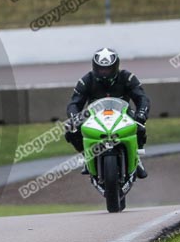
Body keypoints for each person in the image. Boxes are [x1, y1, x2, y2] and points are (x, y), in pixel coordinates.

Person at [64, 47, 150, 178]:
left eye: (108, 69)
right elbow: (74, 103)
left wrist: (141, 114)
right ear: (94, 67)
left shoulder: (127, 77)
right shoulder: (86, 80)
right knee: (71, 130)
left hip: (123, 113)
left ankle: (136, 159)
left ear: (115, 66)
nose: (104, 72)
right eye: (100, 69)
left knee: (139, 126)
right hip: (93, 116)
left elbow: (142, 98)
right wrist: (74, 118)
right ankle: (87, 157)